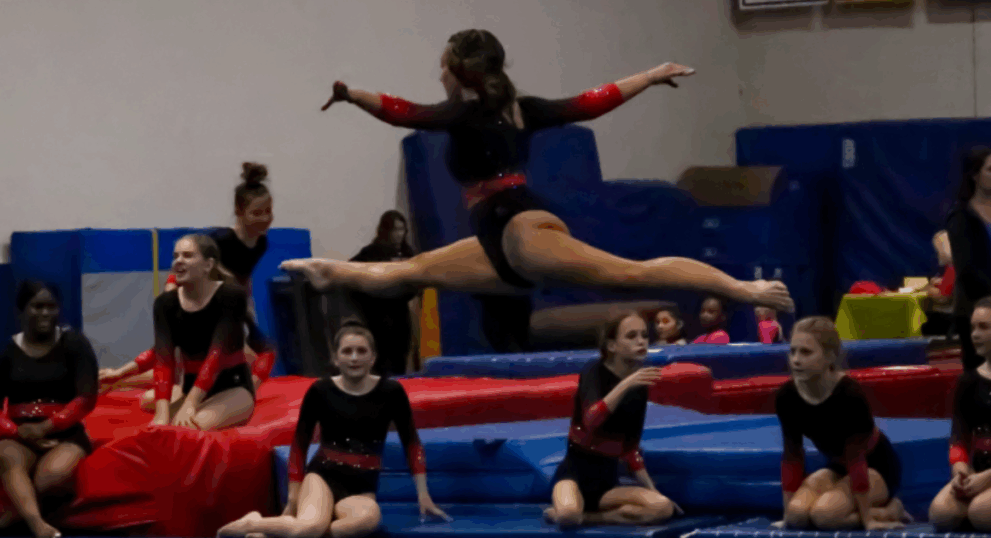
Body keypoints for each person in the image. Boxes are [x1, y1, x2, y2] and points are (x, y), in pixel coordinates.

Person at [280, 29, 793, 315]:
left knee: (629, 273)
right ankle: (331, 270)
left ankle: (744, 290)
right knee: (414, 272)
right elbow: (593, 102)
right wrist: (652, 75)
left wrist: (351, 95)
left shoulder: (466, 111)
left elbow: (404, 112)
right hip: (497, 238)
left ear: (460, 74)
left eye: (443, 65)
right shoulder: (521, 107)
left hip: (522, 229)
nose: (438, 72)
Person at [218, 320, 448, 538]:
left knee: (367, 520)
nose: (354, 358)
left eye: (361, 351)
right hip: (323, 477)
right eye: (347, 352)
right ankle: (253, 523)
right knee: (310, 527)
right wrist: (293, 496)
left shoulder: (391, 392)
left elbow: (412, 442)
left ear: (373, 357)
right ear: (336, 358)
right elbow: (300, 444)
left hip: (361, 487)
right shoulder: (321, 390)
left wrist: (423, 494)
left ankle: (275, 530)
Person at [99, 162, 276, 396]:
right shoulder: (220, 239)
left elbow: (243, 275)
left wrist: (247, 306)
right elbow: (185, 262)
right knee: (181, 358)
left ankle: (245, 391)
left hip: (227, 301)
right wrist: (172, 295)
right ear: (239, 211)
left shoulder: (261, 243)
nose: (264, 219)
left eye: (268, 211)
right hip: (199, 297)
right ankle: (119, 379)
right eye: (256, 213)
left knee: (265, 351)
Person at [0, 282, 98, 538]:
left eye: (51, 307)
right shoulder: (4, 351)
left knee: (52, 476)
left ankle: (5, 521)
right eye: (37, 306)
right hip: (20, 434)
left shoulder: (75, 343)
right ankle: (37, 526)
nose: (45, 313)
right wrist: (16, 433)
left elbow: (86, 398)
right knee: (4, 457)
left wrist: (46, 427)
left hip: (65, 434)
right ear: (21, 311)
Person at [544, 311, 677, 528]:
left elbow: (630, 449)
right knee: (568, 516)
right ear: (612, 346)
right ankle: (568, 513)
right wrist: (626, 384)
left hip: (607, 486)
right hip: (573, 477)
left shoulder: (639, 387)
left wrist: (653, 491)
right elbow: (591, 420)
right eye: (631, 336)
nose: (641, 341)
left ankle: (591, 518)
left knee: (663, 508)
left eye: (644, 335)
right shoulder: (593, 372)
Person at [776, 317, 910, 531]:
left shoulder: (849, 395)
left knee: (824, 516)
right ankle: (842, 509)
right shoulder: (787, 396)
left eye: (806, 352)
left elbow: (856, 458)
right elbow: (792, 455)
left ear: (829, 356)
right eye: (792, 351)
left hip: (874, 466)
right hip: (837, 466)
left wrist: (868, 521)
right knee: (797, 516)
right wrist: (786, 516)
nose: (796, 360)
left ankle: (890, 510)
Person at [148, 235, 255, 430]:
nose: (179, 261)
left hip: (232, 386)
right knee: (160, 430)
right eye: (176, 256)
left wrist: (190, 404)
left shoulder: (231, 296)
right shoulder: (165, 304)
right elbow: (163, 361)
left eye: (188, 256)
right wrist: (161, 414)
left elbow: (217, 355)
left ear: (208, 265)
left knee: (188, 429)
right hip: (191, 388)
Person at [928, 296, 991, 530]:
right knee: (941, 514)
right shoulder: (969, 380)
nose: (974, 334)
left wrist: (988, 478)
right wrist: (960, 470)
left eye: (984, 327)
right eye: (973, 327)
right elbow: (959, 435)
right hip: (979, 470)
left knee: (980, 514)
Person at [347, 210, 419, 375]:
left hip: (401, 312)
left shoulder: (408, 253)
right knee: (382, 359)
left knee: (401, 355)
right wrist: (370, 297)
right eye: (395, 230)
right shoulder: (371, 252)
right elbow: (350, 274)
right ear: (385, 231)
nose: (399, 234)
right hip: (378, 315)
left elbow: (416, 281)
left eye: (402, 229)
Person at [946, 147, 991, 369]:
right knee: (980, 371)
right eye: (990, 170)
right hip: (975, 309)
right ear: (975, 175)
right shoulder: (961, 216)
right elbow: (968, 271)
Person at [920, 230, 956, 337]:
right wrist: (941, 281)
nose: (937, 254)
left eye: (938, 251)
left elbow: (942, 296)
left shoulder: (952, 268)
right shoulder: (958, 265)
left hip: (950, 318)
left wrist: (928, 289)